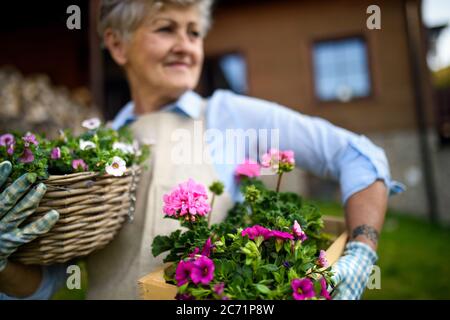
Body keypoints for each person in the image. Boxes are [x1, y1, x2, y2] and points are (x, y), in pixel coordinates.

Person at [0, 0, 403, 300]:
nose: (185, 45)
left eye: (193, 32)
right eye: (165, 28)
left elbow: (357, 154)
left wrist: (360, 254)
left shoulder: (230, 114)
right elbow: (43, 286)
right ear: (117, 45)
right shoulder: (93, 152)